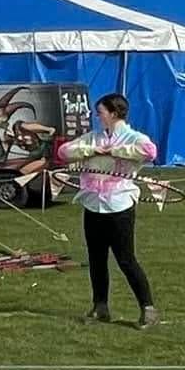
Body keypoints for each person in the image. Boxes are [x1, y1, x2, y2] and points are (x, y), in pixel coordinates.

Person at [53, 92, 160, 329]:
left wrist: (114, 152)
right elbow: (63, 153)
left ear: (113, 113)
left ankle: (148, 309)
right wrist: (91, 151)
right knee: (96, 259)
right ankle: (100, 306)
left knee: (126, 259)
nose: (97, 116)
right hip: (93, 205)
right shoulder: (94, 137)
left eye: (100, 112)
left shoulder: (133, 137)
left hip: (119, 205)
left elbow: (150, 152)